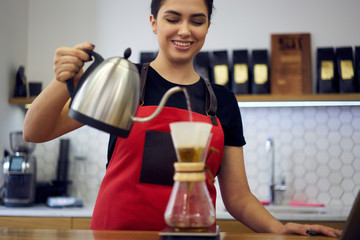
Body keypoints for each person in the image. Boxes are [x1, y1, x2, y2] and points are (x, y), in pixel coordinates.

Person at [23, 0, 341, 237]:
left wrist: (278, 228)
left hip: (193, 236)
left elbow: (238, 196)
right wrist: (64, 81)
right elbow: (35, 132)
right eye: (172, 18)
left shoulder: (223, 102)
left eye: (197, 21)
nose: (185, 30)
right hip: (117, 234)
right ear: (154, 22)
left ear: (207, 27)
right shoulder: (125, 81)